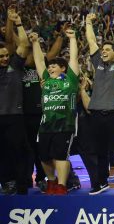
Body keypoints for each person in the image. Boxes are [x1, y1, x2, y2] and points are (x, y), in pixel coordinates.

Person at [29, 28, 80, 196]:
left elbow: (73, 58)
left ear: (63, 68)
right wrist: (35, 42)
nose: (49, 68)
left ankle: (61, 185)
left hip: (65, 124)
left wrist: (72, 39)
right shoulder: (46, 80)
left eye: (53, 66)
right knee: (43, 156)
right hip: (45, 125)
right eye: (49, 66)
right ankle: (51, 181)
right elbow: (39, 61)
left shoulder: (70, 80)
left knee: (60, 155)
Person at [84, 12, 114, 195]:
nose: (103, 51)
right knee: (99, 151)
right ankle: (101, 182)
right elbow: (91, 41)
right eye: (103, 49)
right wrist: (88, 22)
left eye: (107, 50)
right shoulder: (98, 63)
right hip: (96, 114)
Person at [0, 8, 31, 195]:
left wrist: (18, 23)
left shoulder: (15, 65)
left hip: (15, 116)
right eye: (1, 56)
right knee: (2, 153)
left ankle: (21, 184)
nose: (5, 58)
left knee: (19, 151)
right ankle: (6, 182)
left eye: (6, 55)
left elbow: (24, 44)